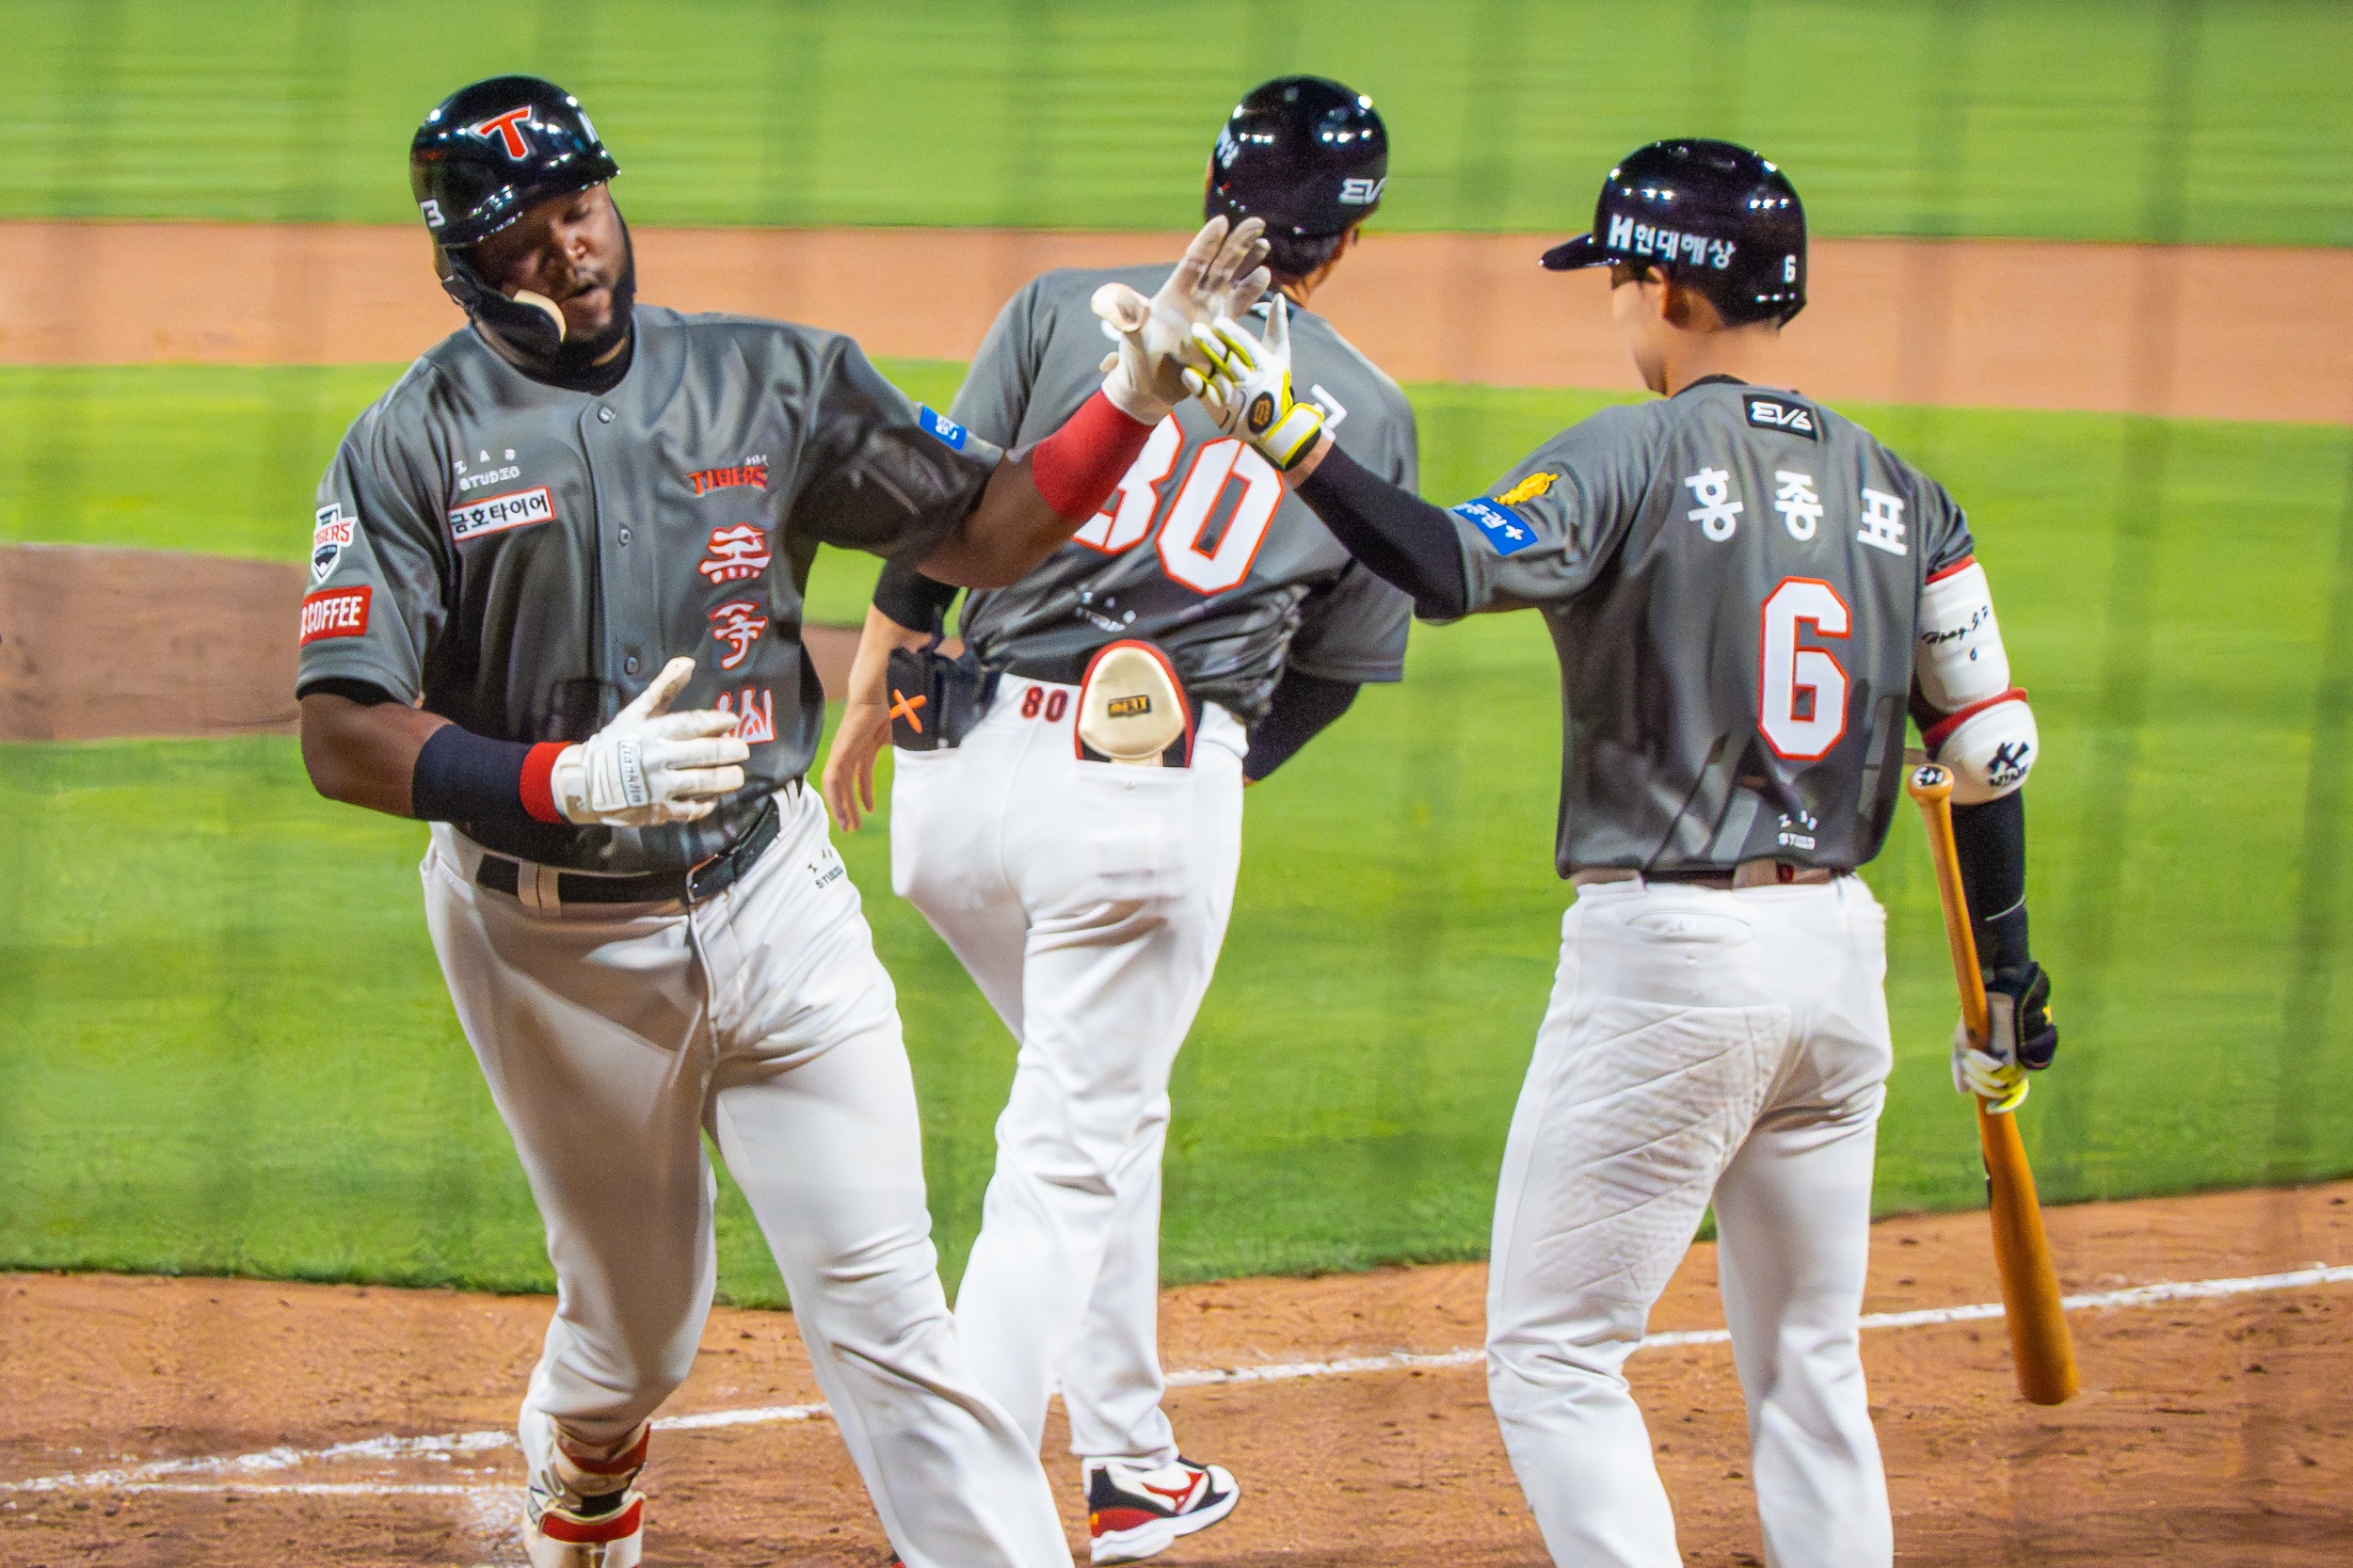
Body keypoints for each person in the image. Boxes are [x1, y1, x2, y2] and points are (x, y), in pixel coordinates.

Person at [294, 74, 1268, 1568]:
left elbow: (988, 527)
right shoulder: (412, 440)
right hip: (554, 950)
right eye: (524, 232)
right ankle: (587, 1441)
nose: (570, 248)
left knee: (896, 1318)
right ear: (463, 262)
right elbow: (342, 729)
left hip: (778, 901)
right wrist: (566, 783)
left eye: (580, 205)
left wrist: (1131, 400)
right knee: (640, 1331)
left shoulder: (772, 379)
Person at [1184, 138, 2057, 1568]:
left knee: (1554, 1354)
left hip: (1675, 963)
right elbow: (1989, 747)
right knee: (1812, 1368)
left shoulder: (1629, 453)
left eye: (1616, 278)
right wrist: (2005, 972)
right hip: (1841, 968)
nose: (1613, 307)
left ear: (1663, 284)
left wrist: (1292, 438)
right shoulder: (1908, 493)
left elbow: (1447, 566)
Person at [820, 75, 1416, 1565]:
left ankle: (1134, 1460)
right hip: (1136, 808)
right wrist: (1207, 776)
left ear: (1210, 189)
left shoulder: (1054, 307)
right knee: (1067, 1151)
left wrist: (874, 678)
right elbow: (1333, 677)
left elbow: (941, 512)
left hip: (953, 791)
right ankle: (958, 1514)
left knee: (1104, 1100)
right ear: (1351, 241)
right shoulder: (1373, 411)